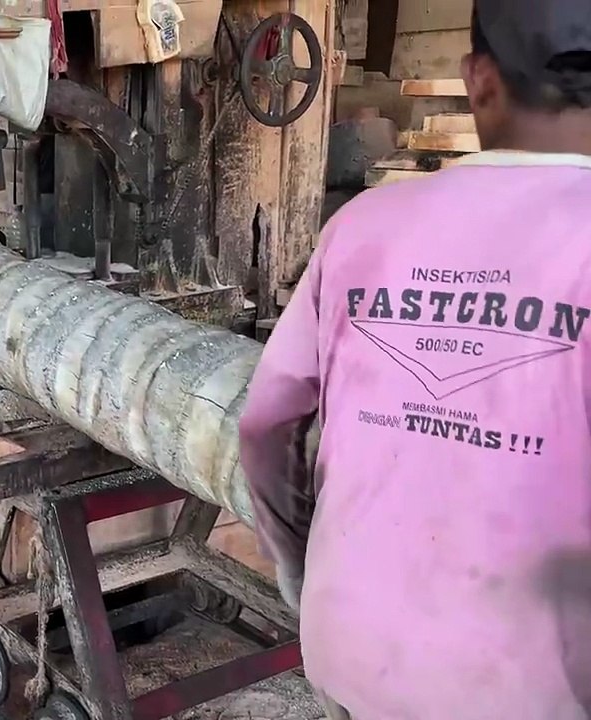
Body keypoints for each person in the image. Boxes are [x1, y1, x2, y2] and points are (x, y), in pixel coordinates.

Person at [238, 1, 591, 718]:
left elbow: (263, 425)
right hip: (530, 691)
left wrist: (303, 569)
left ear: (479, 82)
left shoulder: (360, 226)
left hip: (351, 652)